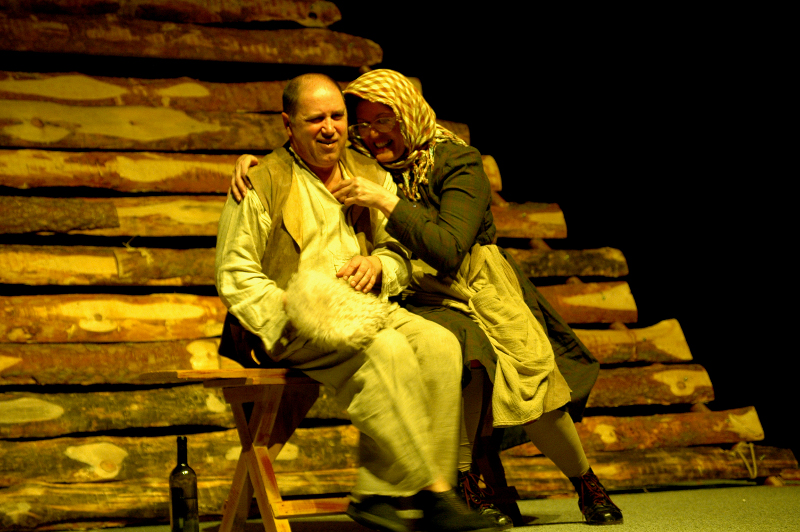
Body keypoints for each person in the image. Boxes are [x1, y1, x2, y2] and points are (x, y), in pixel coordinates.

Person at [230, 69, 622, 526]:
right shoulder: (350, 160)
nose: (370, 133)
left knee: (516, 369)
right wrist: (253, 163)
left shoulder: (450, 162)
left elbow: (446, 249)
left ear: (408, 116)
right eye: (363, 124)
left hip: (468, 282)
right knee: (437, 351)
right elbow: (297, 157)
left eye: (382, 121)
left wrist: (382, 236)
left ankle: (576, 480)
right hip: (395, 296)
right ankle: (444, 487)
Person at [215, 72, 501, 532]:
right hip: (296, 317)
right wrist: (290, 307)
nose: (330, 128)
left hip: (367, 307)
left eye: (337, 116)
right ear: (288, 124)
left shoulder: (368, 173)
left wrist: (380, 266)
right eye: (316, 119)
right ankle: (431, 494)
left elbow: (398, 251)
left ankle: (385, 491)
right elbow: (234, 272)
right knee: (385, 350)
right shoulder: (262, 180)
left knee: (439, 345)